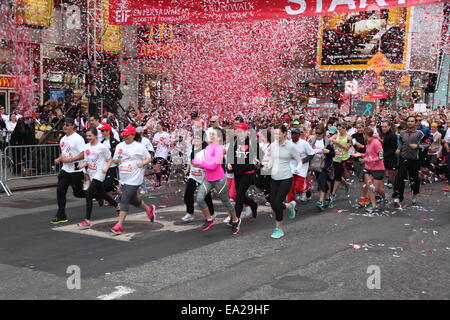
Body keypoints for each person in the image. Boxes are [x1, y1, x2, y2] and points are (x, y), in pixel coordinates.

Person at [192, 128, 241, 234]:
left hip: (219, 180)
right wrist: (196, 162)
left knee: (226, 202)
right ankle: (209, 219)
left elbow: (213, 166)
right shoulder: (207, 148)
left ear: (218, 138)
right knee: (200, 199)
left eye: (213, 135)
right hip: (208, 180)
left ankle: (235, 220)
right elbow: (203, 162)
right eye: (210, 134)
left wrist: (199, 163)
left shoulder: (219, 149)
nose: (210, 136)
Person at [111, 125, 156, 235]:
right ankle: (149, 209)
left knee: (124, 198)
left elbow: (149, 157)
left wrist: (143, 163)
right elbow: (116, 159)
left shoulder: (139, 147)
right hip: (124, 177)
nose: (124, 137)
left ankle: (119, 225)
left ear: (133, 135)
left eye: (126, 136)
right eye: (123, 136)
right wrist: (117, 160)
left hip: (135, 177)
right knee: (132, 199)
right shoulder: (119, 145)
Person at [77, 127, 120, 229]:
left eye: (90, 136)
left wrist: (106, 167)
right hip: (92, 173)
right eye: (87, 136)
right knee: (101, 193)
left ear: (96, 135)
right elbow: (87, 160)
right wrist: (82, 165)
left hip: (100, 172)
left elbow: (110, 159)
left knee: (88, 193)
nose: (88, 138)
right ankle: (116, 204)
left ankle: (87, 220)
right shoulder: (86, 147)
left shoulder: (102, 147)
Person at [267, 124, 302, 239]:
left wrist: (296, 169)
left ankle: (279, 229)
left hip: (286, 178)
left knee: (277, 203)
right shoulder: (272, 145)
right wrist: (267, 165)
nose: (276, 136)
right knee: (273, 204)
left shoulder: (290, 146)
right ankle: (289, 206)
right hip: (274, 177)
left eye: (278, 133)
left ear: (284, 134)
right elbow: (272, 159)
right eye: (274, 133)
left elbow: (299, 160)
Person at [51, 117, 86, 224]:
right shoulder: (63, 139)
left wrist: (70, 159)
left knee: (78, 193)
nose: (64, 126)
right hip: (65, 170)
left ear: (72, 126)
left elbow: (83, 154)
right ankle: (61, 215)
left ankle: (96, 194)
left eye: (67, 125)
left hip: (76, 171)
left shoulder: (78, 138)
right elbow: (64, 152)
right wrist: (59, 158)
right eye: (64, 124)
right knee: (60, 191)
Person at [227, 122, 261, 220]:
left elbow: (260, 156)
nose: (239, 133)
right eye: (237, 131)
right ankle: (253, 204)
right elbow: (230, 153)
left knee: (240, 195)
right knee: (239, 195)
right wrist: (229, 163)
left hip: (248, 173)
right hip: (237, 172)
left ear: (246, 132)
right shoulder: (234, 140)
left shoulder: (252, 142)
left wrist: (259, 161)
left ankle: (235, 219)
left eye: (241, 131)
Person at [181, 132, 215, 222]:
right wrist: (187, 169)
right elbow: (189, 160)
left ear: (203, 140)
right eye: (194, 138)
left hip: (204, 177)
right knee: (188, 194)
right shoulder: (191, 148)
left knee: (206, 197)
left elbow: (210, 165)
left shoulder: (206, 151)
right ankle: (190, 213)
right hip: (193, 176)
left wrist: (200, 166)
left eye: (198, 138)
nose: (195, 140)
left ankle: (212, 213)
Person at [393, 116, 425, 206]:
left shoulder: (420, 133)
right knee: (400, 178)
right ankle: (399, 196)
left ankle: (415, 194)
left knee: (414, 178)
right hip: (403, 158)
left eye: (412, 121)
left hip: (414, 159)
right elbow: (401, 143)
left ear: (415, 123)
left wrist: (418, 146)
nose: (410, 123)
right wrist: (399, 149)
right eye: (409, 121)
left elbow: (427, 143)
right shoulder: (402, 133)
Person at [356, 128, 387, 213]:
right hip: (368, 168)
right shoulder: (368, 143)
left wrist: (367, 160)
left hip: (378, 168)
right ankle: (374, 205)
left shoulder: (376, 143)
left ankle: (385, 197)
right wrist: (360, 154)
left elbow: (381, 156)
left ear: (364, 135)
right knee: (369, 187)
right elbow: (368, 153)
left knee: (376, 189)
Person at [309, 125, 335, 211]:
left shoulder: (327, 142)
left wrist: (328, 151)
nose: (318, 135)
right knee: (321, 181)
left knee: (321, 181)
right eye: (316, 133)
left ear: (323, 133)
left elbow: (333, 154)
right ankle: (328, 197)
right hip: (315, 164)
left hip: (325, 164)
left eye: (319, 133)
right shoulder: (312, 141)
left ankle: (320, 202)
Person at [287, 127, 315, 203]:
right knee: (290, 187)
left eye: (296, 134)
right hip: (291, 167)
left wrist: (302, 160)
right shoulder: (288, 143)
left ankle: (307, 188)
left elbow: (312, 154)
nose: (294, 136)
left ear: (299, 135)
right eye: (292, 134)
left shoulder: (304, 143)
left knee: (299, 188)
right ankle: (291, 204)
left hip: (302, 168)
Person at [329, 123, 351, 206]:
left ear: (345, 129)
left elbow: (347, 147)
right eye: (338, 129)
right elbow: (330, 139)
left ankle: (333, 194)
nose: (339, 131)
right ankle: (346, 184)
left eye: (341, 129)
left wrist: (337, 143)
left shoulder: (348, 137)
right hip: (335, 158)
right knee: (337, 175)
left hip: (343, 159)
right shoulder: (336, 135)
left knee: (337, 177)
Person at [351, 122, 369, 207]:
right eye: (357, 128)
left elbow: (369, 147)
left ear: (363, 127)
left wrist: (363, 147)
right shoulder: (353, 136)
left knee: (362, 179)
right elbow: (354, 144)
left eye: (360, 128)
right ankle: (366, 196)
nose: (358, 129)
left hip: (366, 159)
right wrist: (359, 146)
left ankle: (363, 198)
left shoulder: (366, 135)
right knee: (360, 179)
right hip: (356, 159)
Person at [152, 122, 171, 187]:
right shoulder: (156, 134)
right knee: (155, 168)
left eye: (159, 126)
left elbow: (169, 144)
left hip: (163, 152)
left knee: (157, 166)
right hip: (157, 152)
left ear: (162, 127)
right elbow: (154, 143)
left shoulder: (166, 134)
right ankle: (166, 171)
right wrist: (154, 142)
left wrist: (164, 142)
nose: (158, 127)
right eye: (157, 126)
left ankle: (158, 182)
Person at [380, 121, 398, 189]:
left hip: (391, 157)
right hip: (386, 156)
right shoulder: (385, 134)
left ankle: (393, 184)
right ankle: (390, 182)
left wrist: (383, 156)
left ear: (389, 127)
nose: (383, 128)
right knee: (387, 171)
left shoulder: (393, 135)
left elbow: (394, 148)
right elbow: (384, 144)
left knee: (391, 172)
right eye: (382, 127)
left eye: (385, 127)